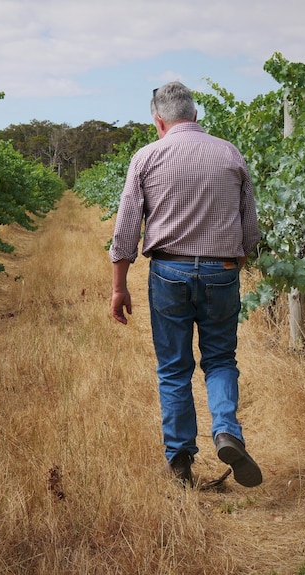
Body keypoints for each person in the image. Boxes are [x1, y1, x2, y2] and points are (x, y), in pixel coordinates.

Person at [109, 81, 262, 488]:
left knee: (174, 368)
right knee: (220, 360)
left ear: (158, 120)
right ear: (196, 116)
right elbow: (251, 231)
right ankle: (227, 431)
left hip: (168, 273)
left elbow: (125, 232)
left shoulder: (147, 156)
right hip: (221, 270)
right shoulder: (229, 152)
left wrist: (119, 287)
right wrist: (231, 266)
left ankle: (179, 462)